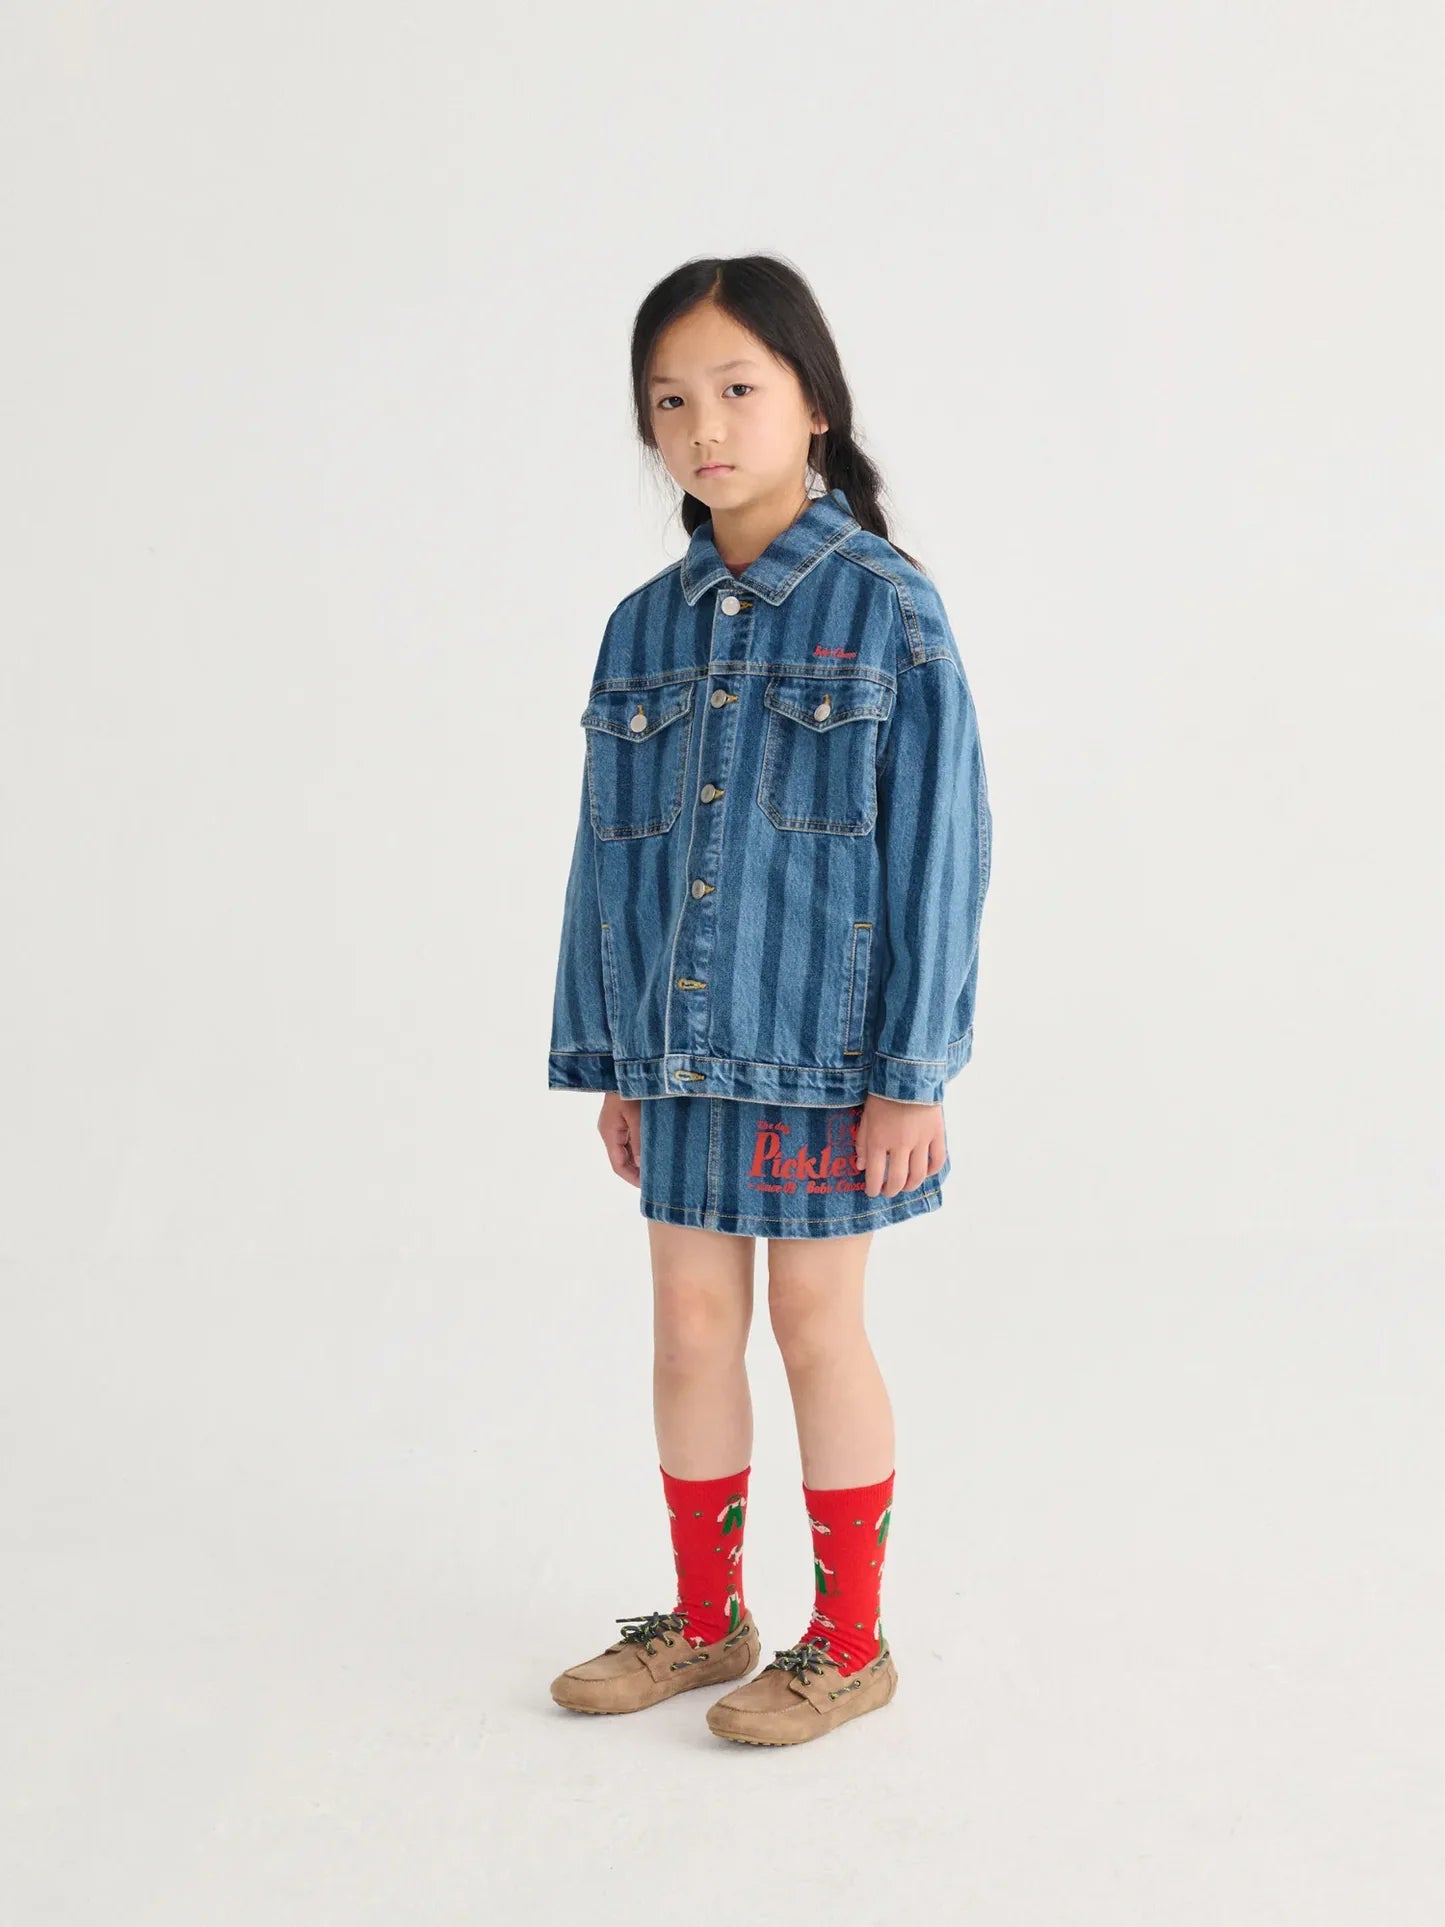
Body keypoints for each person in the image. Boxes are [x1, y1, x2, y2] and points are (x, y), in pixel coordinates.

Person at [546, 255, 994, 1747]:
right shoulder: (641, 629)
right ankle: (704, 1619)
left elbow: (941, 848)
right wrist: (613, 1057)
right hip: (678, 1053)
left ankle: (849, 1643)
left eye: (737, 388)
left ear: (814, 403)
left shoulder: (886, 609)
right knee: (687, 1326)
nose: (704, 426)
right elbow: (608, 861)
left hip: (824, 1056)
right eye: (670, 400)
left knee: (813, 1324)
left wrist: (914, 1071)